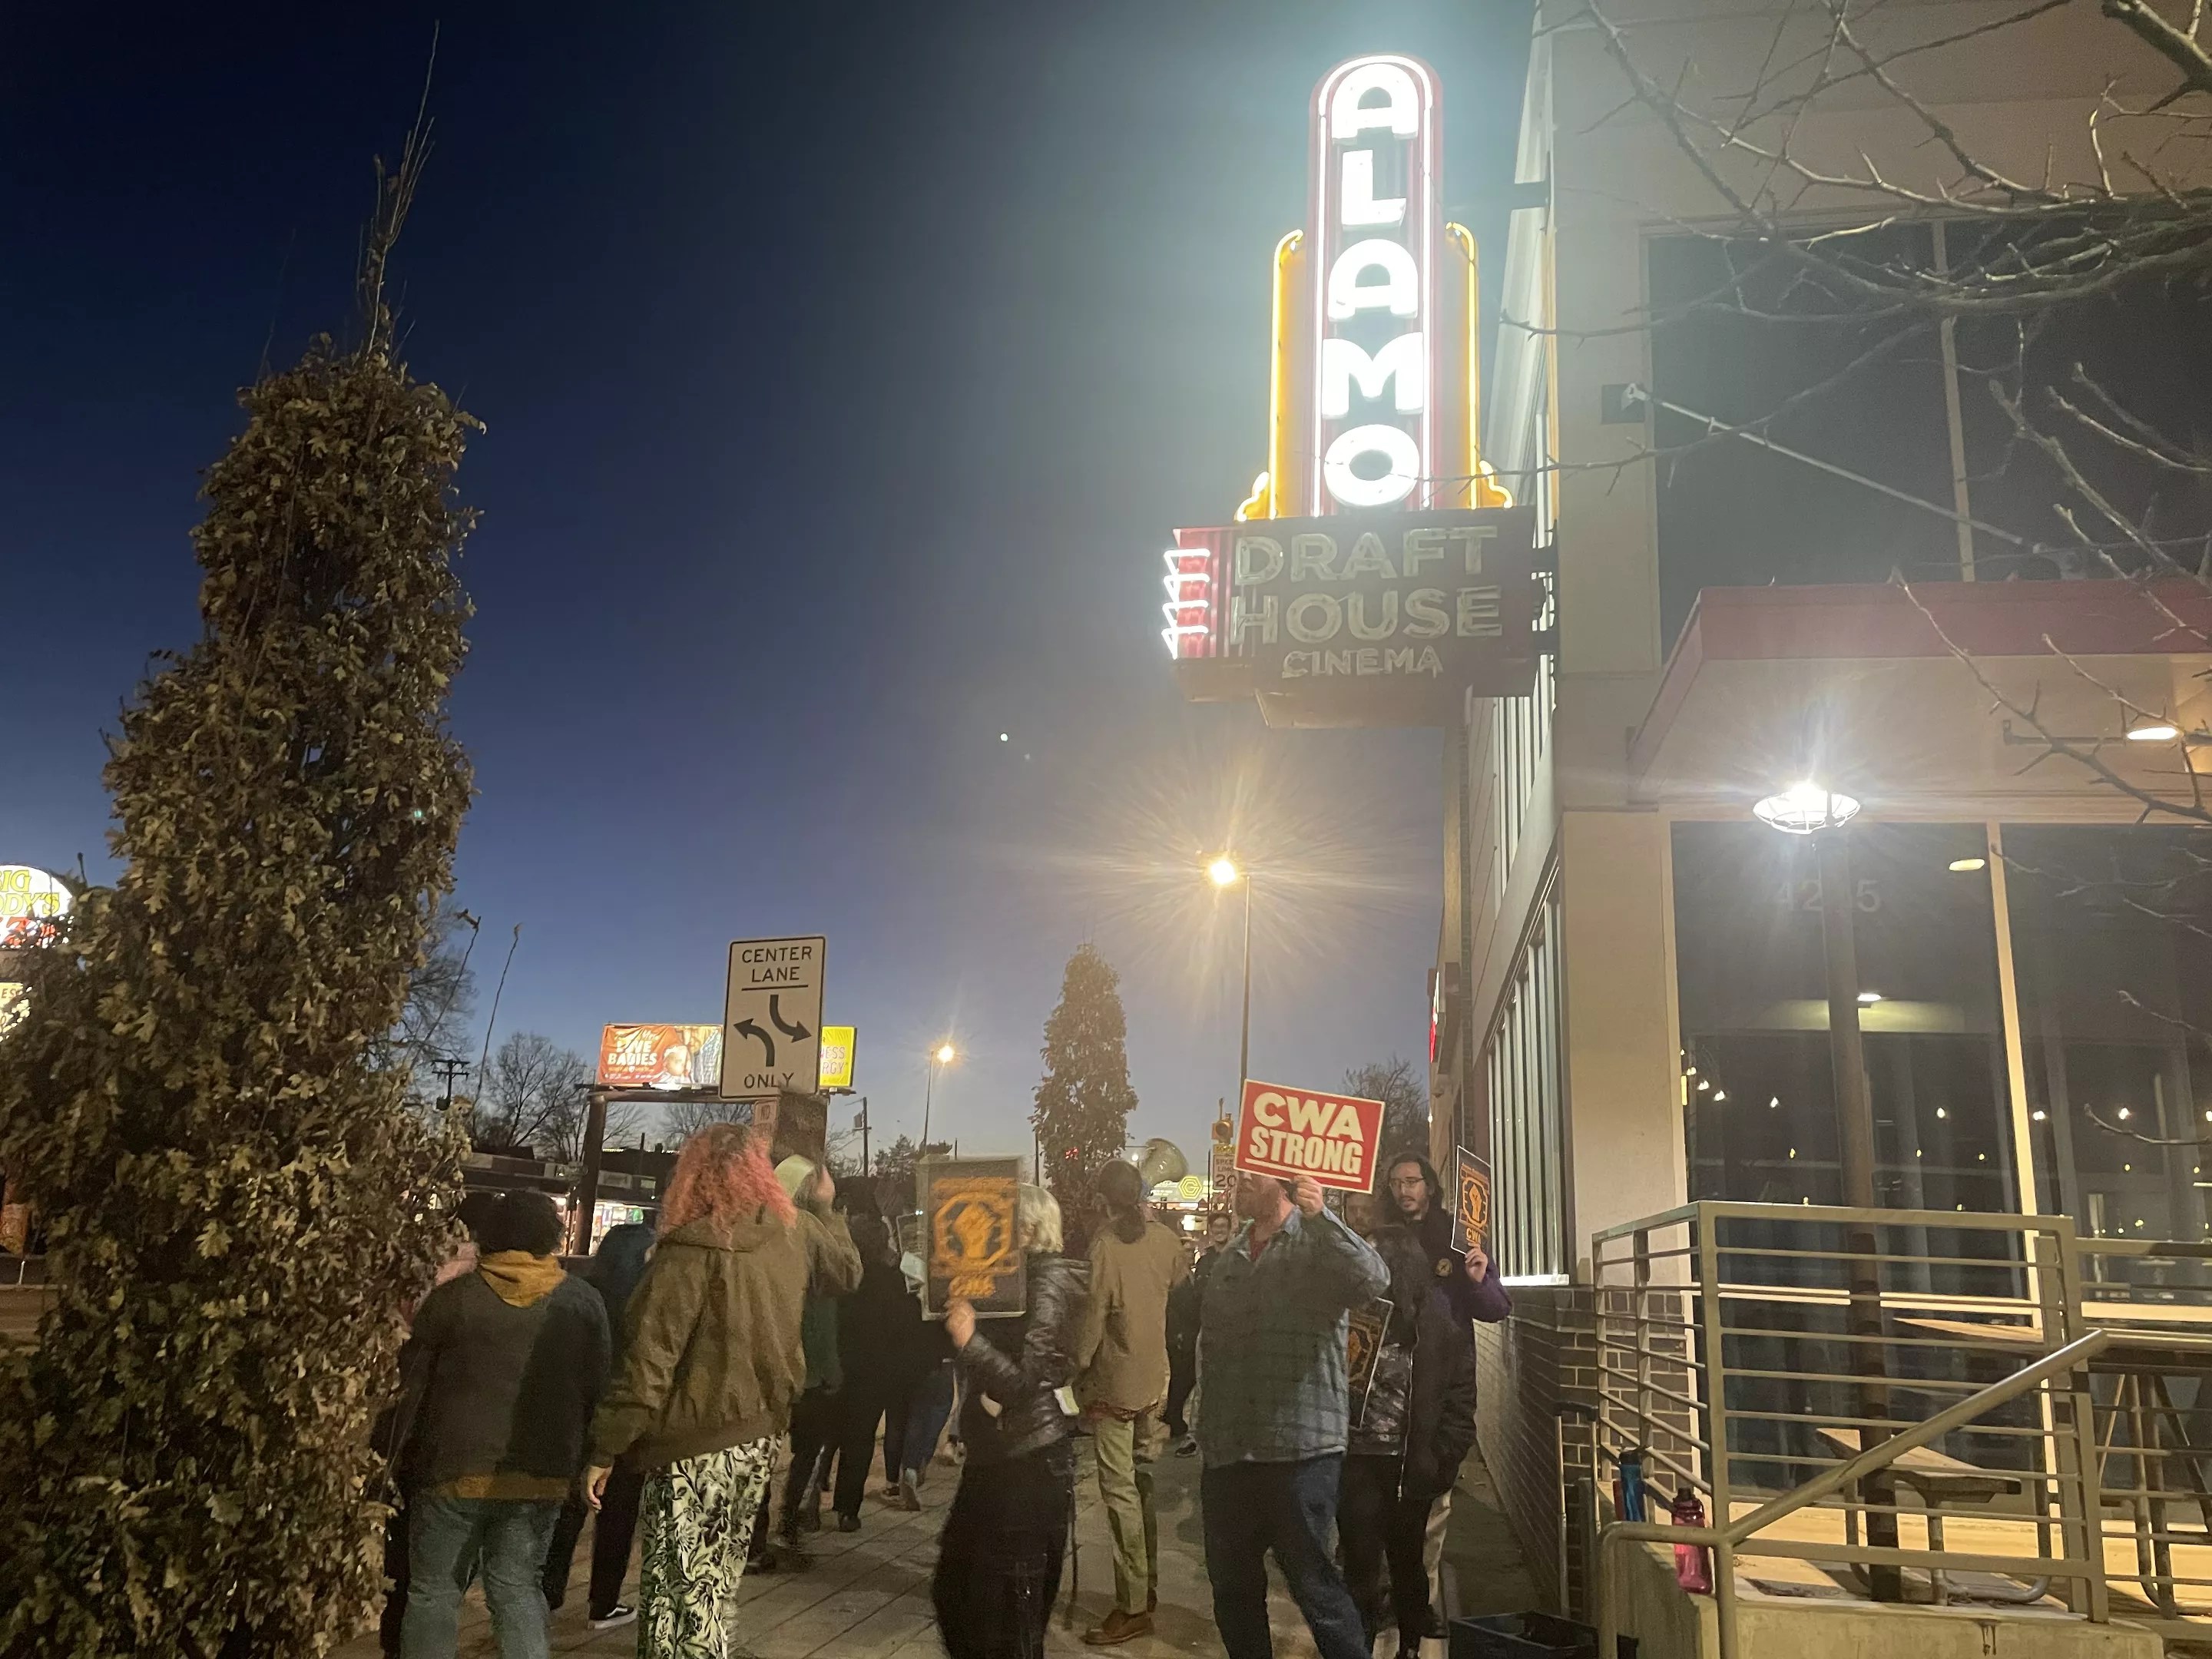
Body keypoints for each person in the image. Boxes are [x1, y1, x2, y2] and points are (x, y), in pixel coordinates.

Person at [583, 1123, 861, 1659]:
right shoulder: (795, 1232)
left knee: (675, 1587)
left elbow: (648, 1362)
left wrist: (605, 1449)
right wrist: (827, 1207)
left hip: (689, 1440)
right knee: (711, 1580)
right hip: (757, 1435)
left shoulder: (689, 1250)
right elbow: (847, 1274)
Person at [392, 1191, 611, 1659]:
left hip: (452, 1470)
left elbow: (408, 1391)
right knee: (517, 1587)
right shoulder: (582, 1303)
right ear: (552, 1239)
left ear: (487, 1236)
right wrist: (596, 1458)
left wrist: (391, 1461)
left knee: (434, 1591)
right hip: (542, 1472)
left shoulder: (454, 1300)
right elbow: (599, 1390)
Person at [1197, 1171, 1388, 1659]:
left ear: (1282, 1178)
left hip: (1300, 1453)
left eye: (1252, 1170)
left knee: (1317, 1590)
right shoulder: (1231, 1255)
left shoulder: (1317, 1241)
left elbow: (1372, 1279)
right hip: (1230, 1452)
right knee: (1233, 1591)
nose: (1240, 1178)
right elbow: (1212, 1345)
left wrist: (1321, 1216)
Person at [931, 1184, 1089, 1659]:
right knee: (959, 1590)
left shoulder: (1046, 1283)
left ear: (1027, 1229)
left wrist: (970, 1340)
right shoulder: (1011, 1280)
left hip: (1027, 1460)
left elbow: (1023, 1380)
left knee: (1012, 1607)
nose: (989, 1233)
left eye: (1000, 1224)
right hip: (999, 1455)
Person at [1381, 1152, 1513, 1636]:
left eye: (1412, 1181)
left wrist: (1478, 1280)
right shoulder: (1379, 1238)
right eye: (1396, 1183)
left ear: (1430, 1187)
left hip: (1443, 1392)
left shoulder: (1459, 1239)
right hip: (1388, 1396)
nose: (1404, 1190)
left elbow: (1497, 1307)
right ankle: (1392, 1600)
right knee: (1386, 1511)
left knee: (1432, 1510)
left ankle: (1422, 1606)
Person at [1339, 1230, 1479, 1659]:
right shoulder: (1352, 1318)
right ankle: (1359, 1644)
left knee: (1407, 1563)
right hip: (1357, 1461)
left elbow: (1460, 1400)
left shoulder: (1437, 1327)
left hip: (1408, 1466)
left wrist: (1440, 1461)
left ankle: (1411, 1645)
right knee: (1360, 1564)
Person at [1073, 1161, 1189, 1646]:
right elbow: (1179, 1283)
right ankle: (1148, 1586)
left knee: (1118, 1491)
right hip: (1155, 1378)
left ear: (1103, 1201)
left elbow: (1092, 1323)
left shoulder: (1104, 1246)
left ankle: (1132, 1605)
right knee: (1140, 1483)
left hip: (1116, 1382)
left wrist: (1073, 1370)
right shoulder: (1164, 1239)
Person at [380, 1189, 500, 1658]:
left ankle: (395, 1641)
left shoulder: (423, 1266)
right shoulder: (483, 1280)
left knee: (403, 1550)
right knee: (440, 1566)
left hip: (406, 1413)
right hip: (457, 1427)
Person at [542, 1219, 657, 1629]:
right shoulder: (646, 1304)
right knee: (618, 1515)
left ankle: (548, 1594)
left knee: (568, 1512)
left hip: (578, 1417)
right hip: (624, 1422)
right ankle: (604, 1602)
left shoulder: (582, 1296)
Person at [826, 1213, 922, 1529]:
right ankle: (849, 1508)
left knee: (843, 1435)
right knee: (866, 1437)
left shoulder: (846, 1280)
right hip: (883, 1369)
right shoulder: (896, 1281)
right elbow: (908, 1324)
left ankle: (824, 1498)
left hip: (848, 1365)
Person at [775, 1154, 848, 1553]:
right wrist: (829, 1212)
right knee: (806, 1453)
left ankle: (755, 1538)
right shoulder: (814, 1236)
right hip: (811, 1370)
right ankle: (789, 1522)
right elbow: (848, 1272)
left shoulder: (763, 1232)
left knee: (764, 1455)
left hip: (772, 1366)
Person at [1173, 1209, 1236, 1459]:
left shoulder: (1238, 1258)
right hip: (1207, 1330)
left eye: (1223, 1226)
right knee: (1202, 1384)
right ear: (1210, 1230)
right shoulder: (1205, 1262)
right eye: (1216, 1227)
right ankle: (1194, 1437)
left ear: (1230, 1230)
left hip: (1232, 1331)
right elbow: (1195, 1299)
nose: (1219, 1230)